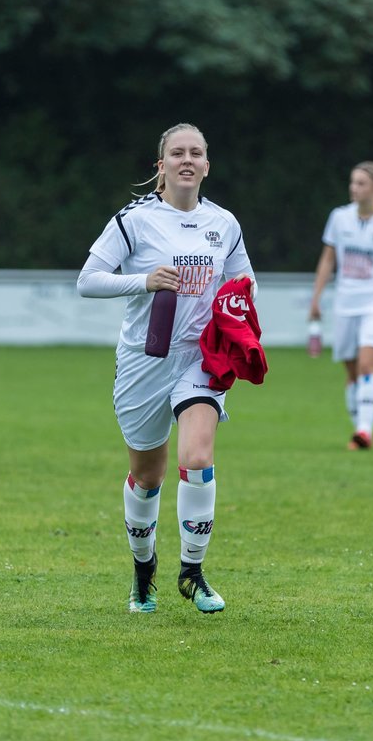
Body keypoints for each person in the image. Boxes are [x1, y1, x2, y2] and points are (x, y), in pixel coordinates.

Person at [77, 123, 255, 615]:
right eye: (177, 153)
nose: (187, 160)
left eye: (196, 152)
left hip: (200, 359)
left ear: (206, 165)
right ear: (161, 165)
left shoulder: (224, 223)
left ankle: (192, 573)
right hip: (143, 361)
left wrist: (239, 301)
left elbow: (243, 276)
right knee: (148, 475)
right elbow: (87, 281)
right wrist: (145, 281)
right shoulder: (135, 220)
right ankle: (143, 568)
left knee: (197, 459)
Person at [308, 162, 373, 450]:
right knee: (352, 371)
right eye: (353, 182)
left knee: (368, 364)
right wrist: (316, 298)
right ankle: (359, 427)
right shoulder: (339, 218)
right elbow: (328, 259)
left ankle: (364, 431)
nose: (354, 188)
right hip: (346, 302)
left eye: (361, 183)